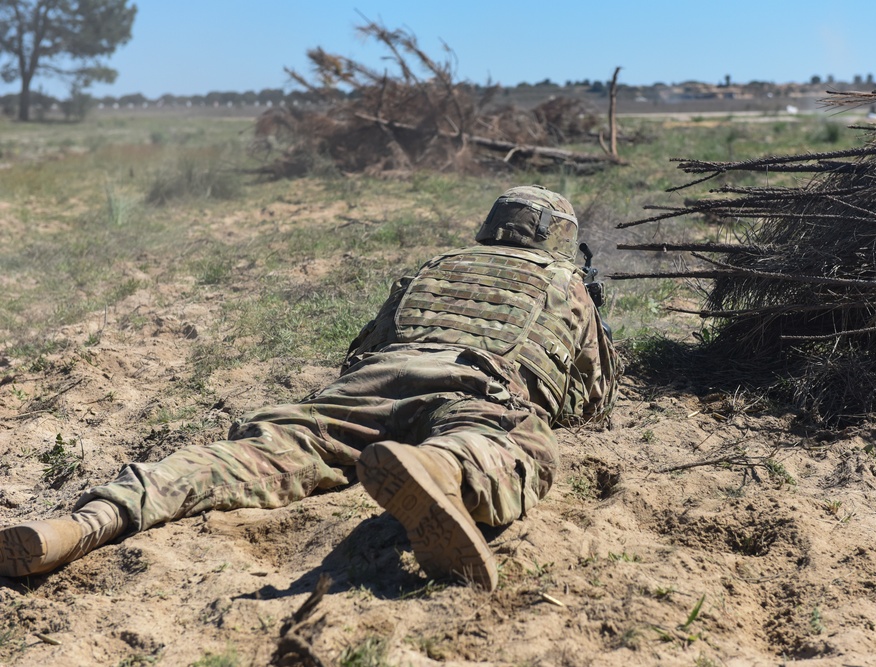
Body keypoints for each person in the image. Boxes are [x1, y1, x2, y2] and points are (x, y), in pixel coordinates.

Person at [0, 185, 620, 591]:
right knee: (512, 445)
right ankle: (441, 469)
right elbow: (587, 396)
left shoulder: (434, 268)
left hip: (369, 385)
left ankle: (91, 520)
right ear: (557, 239)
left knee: (255, 453)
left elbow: (365, 347)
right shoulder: (564, 285)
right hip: (472, 385)